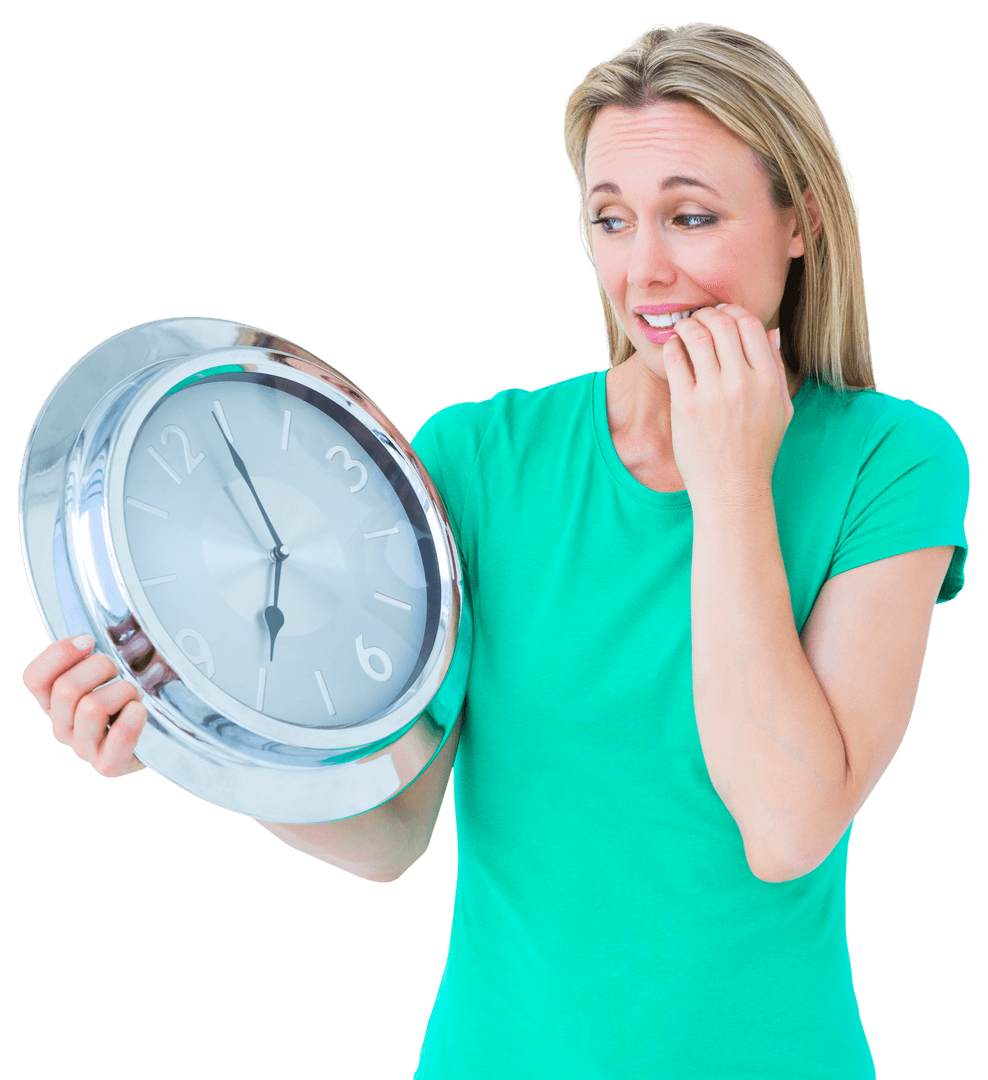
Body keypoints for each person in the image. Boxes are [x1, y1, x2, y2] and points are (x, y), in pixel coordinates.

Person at [22, 20, 970, 1079]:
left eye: (690, 216)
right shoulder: (476, 457)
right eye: (610, 221)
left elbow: (786, 829)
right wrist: (194, 737)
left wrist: (732, 480)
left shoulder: (892, 459)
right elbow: (394, 835)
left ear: (798, 221)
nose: (644, 272)